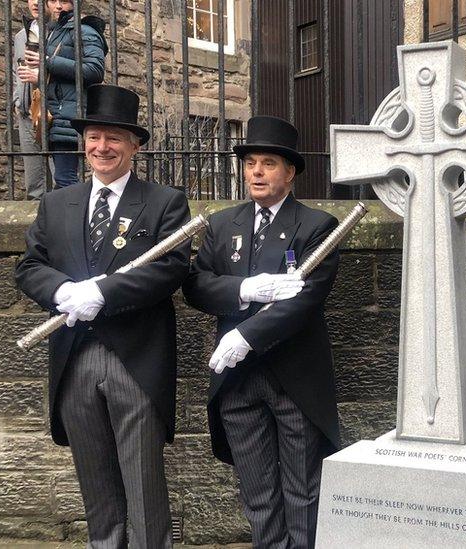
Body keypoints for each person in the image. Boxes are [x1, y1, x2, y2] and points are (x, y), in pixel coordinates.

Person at [14, 84, 190, 548]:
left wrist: (104, 292)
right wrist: (63, 290)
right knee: (95, 480)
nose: (102, 147)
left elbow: (170, 269)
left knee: (143, 481)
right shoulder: (56, 203)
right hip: (74, 357)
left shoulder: (164, 202)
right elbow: (30, 266)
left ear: (134, 145)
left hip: (135, 357)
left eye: (114, 137)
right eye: (94, 136)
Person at [183, 116, 341, 549]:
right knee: (257, 492)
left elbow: (305, 300)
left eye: (268, 163)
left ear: (289, 173)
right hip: (236, 380)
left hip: (293, 379)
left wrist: (246, 334)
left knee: (302, 490)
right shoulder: (222, 224)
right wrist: (242, 289)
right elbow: (196, 286)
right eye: (251, 162)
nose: (256, 171)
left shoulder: (317, 227)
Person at [17, 0, 107, 188]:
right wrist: (40, 75)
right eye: (53, 1)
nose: (58, 6)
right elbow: (60, 78)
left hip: (71, 116)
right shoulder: (56, 31)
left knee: (66, 181)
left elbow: (94, 71)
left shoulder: (84, 30)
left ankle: (76, 217)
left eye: (64, 1)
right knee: (63, 181)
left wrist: (47, 62)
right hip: (57, 116)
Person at [13, 0, 47, 199]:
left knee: (60, 180)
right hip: (27, 114)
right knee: (33, 184)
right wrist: (17, 101)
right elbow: (15, 71)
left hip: (53, 112)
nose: (36, 2)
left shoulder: (60, 33)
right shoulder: (20, 36)